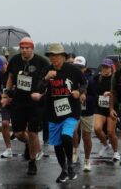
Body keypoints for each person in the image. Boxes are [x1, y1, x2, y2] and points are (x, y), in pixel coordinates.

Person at [31, 43, 85, 183]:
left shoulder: (72, 70)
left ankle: (70, 165)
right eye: (51, 56)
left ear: (62, 56)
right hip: (53, 113)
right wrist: (46, 78)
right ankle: (64, 170)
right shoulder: (47, 70)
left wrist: (79, 92)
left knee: (66, 136)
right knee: (57, 144)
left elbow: (85, 83)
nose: (53, 59)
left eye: (56, 56)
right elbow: (38, 88)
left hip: (71, 110)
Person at [2, 37, 49, 175]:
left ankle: (32, 162)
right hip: (18, 100)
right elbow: (10, 78)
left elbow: (48, 83)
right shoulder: (15, 60)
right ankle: (32, 145)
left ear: (32, 48)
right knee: (18, 133)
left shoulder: (42, 62)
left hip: (35, 102)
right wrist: (5, 95)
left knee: (34, 132)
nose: (24, 50)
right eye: (22, 47)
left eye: (27, 48)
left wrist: (40, 95)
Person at [93, 58, 121, 163]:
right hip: (100, 107)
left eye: (107, 67)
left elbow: (119, 94)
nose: (105, 69)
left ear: (111, 68)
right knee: (97, 128)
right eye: (103, 67)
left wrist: (110, 94)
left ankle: (116, 152)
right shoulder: (97, 78)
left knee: (110, 131)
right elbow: (91, 90)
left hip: (112, 108)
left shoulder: (115, 79)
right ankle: (105, 145)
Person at [72, 56, 96, 172]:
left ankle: (87, 159)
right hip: (73, 109)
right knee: (72, 131)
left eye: (80, 67)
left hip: (87, 110)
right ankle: (75, 149)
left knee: (86, 137)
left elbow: (95, 96)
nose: (78, 69)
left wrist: (86, 97)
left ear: (85, 68)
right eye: (76, 67)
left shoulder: (91, 79)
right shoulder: (70, 78)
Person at [0, 55, 14, 158]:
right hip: (4, 102)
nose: (1, 70)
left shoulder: (12, 72)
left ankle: (30, 146)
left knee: (22, 130)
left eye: (2, 67)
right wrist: (0, 94)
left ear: (6, 64)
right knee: (5, 123)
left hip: (15, 101)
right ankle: (8, 148)